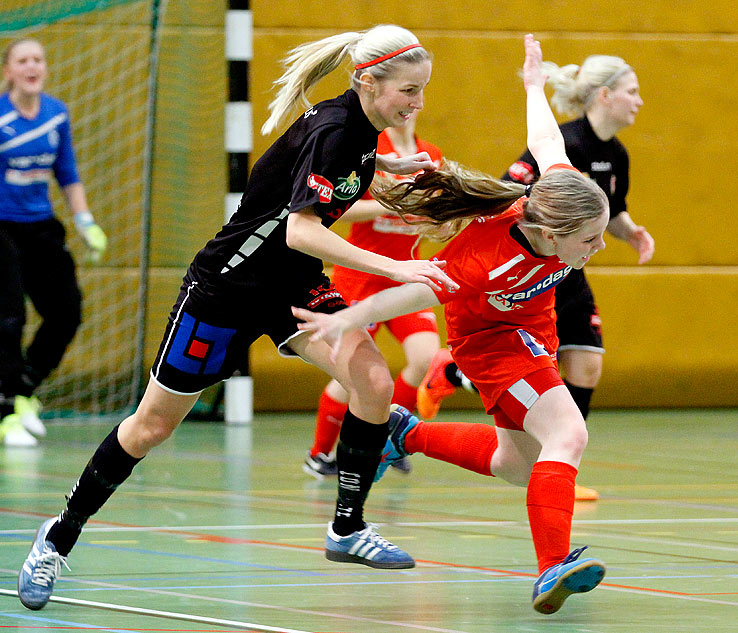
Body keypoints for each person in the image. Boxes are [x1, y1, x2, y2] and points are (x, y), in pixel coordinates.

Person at [17, 24, 458, 611]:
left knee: (373, 381)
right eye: (409, 90)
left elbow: (320, 186)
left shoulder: (359, 132)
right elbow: (301, 230)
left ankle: (347, 528)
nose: (417, 103)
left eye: (422, 91)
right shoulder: (335, 130)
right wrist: (397, 269)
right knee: (151, 428)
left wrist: (391, 176)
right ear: (367, 81)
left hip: (291, 291)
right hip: (225, 291)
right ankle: (57, 536)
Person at [293, 34, 607, 615]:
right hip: (493, 345)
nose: (598, 245)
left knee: (518, 466)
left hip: (529, 335)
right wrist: (350, 317)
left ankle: (402, 433)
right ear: (551, 235)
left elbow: (545, 140)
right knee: (569, 436)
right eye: (590, 240)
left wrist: (535, 85)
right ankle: (550, 570)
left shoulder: (558, 194)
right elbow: (413, 290)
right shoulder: (485, 259)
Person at [416, 49, 652, 502]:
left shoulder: (615, 154)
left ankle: (559, 461)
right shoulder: (569, 146)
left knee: (585, 362)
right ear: (604, 95)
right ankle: (461, 372)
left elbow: (612, 210)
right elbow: (517, 194)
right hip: (530, 270)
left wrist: (631, 233)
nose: (639, 101)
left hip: (566, 265)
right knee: (546, 371)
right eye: (632, 91)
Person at [304, 111, 443, 478]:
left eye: (417, 95)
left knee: (426, 357)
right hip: (362, 274)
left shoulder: (430, 155)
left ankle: (386, 440)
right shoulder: (370, 151)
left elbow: (435, 213)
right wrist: (392, 203)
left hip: (406, 273)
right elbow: (338, 211)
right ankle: (319, 454)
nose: (410, 105)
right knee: (351, 373)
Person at [0, 38, 107, 447]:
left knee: (66, 311)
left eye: (38, 60)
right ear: (8, 70)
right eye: (23, 60)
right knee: (8, 317)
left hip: (40, 226)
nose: (32, 66)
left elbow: (67, 171)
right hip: (2, 228)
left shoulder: (55, 114)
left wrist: (85, 221)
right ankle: (6, 410)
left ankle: (25, 387)